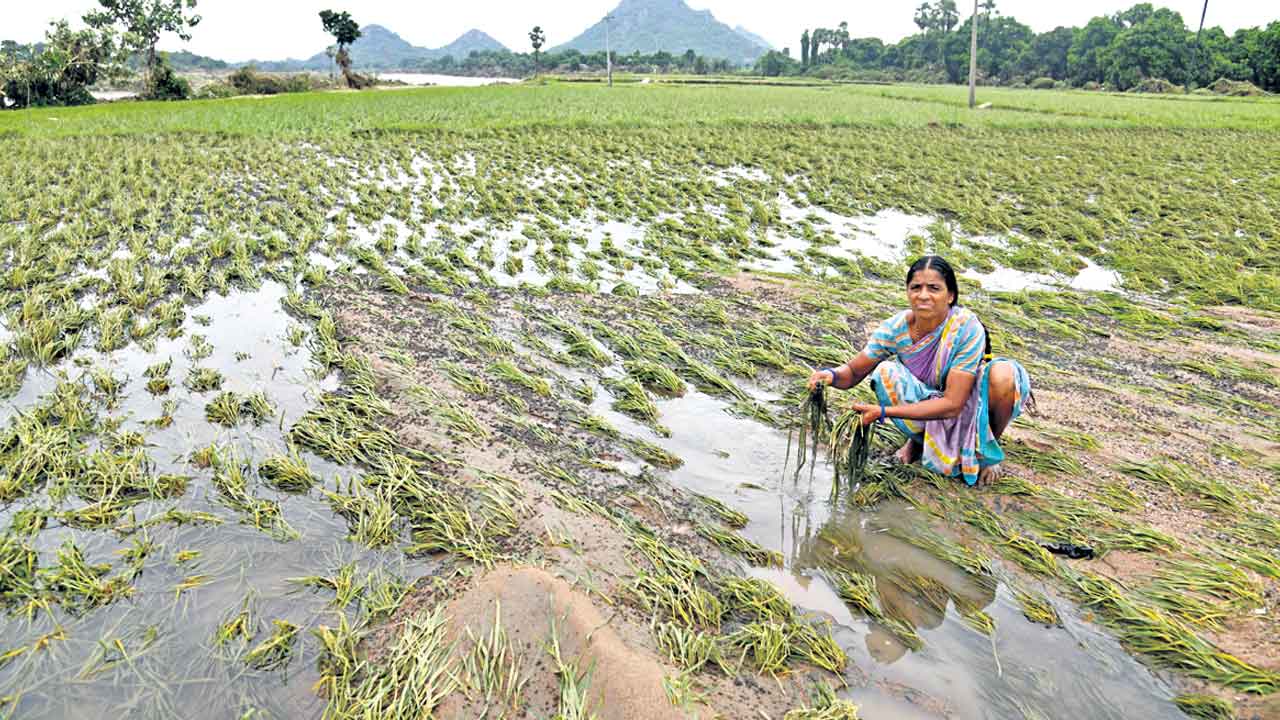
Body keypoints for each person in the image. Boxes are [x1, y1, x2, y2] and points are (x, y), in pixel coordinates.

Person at [807, 255, 1032, 487]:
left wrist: (884, 412)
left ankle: (987, 447)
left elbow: (953, 403)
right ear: (907, 292)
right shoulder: (895, 328)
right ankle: (919, 440)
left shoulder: (966, 328)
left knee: (1003, 376)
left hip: (968, 401)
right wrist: (830, 376)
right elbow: (853, 372)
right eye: (916, 287)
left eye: (934, 288)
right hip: (926, 396)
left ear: (951, 296)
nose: (923, 295)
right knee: (885, 372)